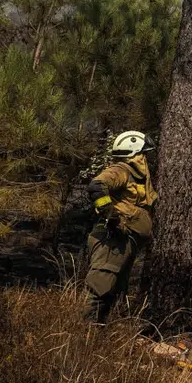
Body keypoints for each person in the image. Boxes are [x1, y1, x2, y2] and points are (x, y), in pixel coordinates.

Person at [83, 130, 157, 324]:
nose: (146, 159)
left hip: (124, 243)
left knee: (114, 292)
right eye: (144, 154)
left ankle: (98, 338)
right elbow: (96, 186)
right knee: (100, 289)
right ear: (134, 153)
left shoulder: (137, 177)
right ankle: (81, 337)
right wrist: (111, 215)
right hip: (111, 240)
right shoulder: (121, 170)